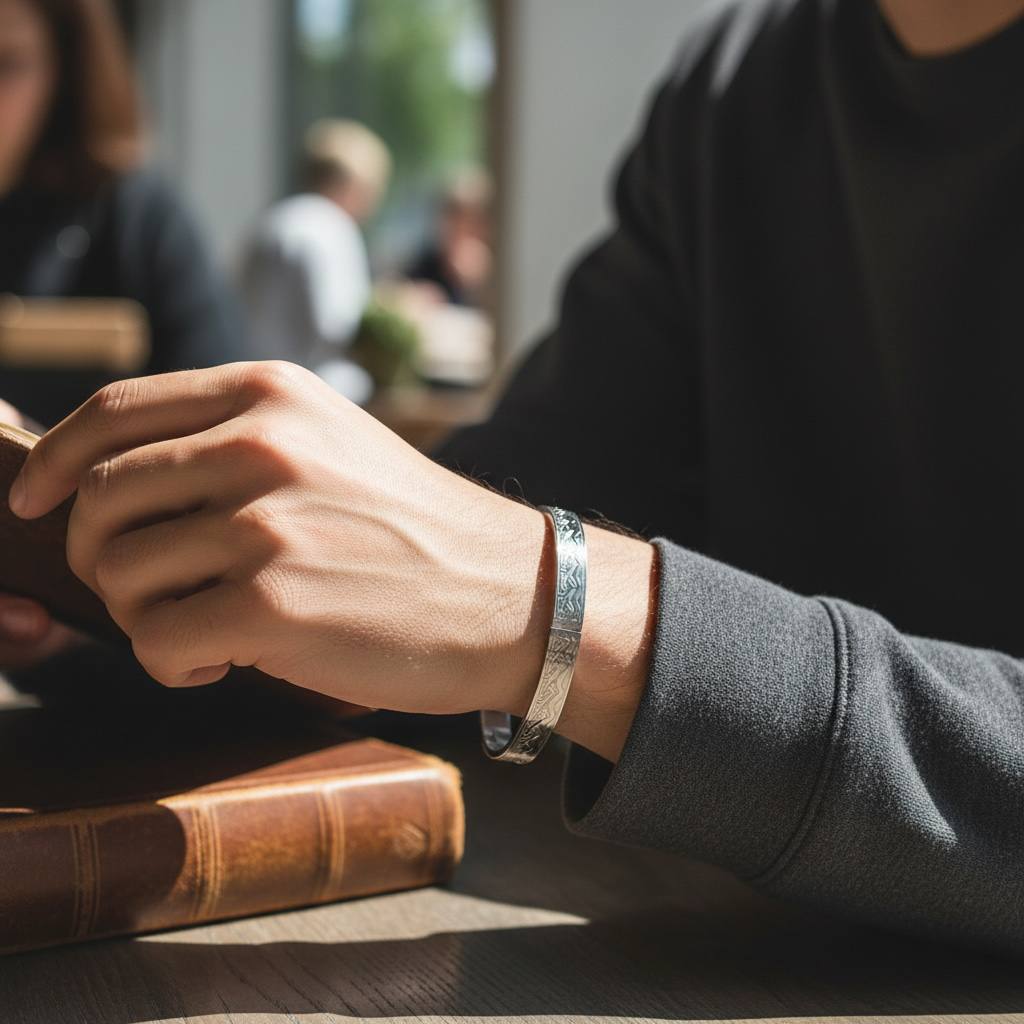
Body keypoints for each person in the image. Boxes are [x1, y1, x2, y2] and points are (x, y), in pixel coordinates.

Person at [3, 0, 1024, 957]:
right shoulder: (741, 86)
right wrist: (130, 618)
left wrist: (549, 603)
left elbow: (501, 571)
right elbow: (497, 517)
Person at [0, 0, 243, 429]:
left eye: (7, 62)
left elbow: (226, 430)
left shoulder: (138, 220)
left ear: (65, 72)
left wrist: (19, 447)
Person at [240, 119, 391, 405]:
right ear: (354, 185)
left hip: (250, 386)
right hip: (309, 397)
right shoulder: (332, 226)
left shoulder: (272, 220)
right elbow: (337, 327)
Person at [405, 168, 492, 308]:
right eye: (454, 220)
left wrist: (478, 285)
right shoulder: (425, 264)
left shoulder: (496, 271)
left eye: (469, 222)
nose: (459, 231)